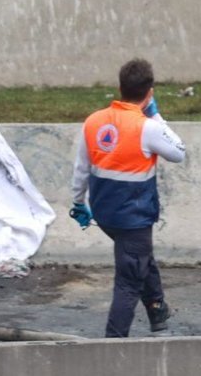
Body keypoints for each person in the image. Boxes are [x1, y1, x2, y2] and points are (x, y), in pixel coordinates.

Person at [70, 58, 185, 338]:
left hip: (104, 214)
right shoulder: (148, 127)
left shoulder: (94, 121)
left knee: (140, 257)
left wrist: (77, 202)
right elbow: (179, 151)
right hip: (133, 218)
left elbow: (81, 168)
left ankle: (158, 315)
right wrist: (155, 114)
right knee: (129, 280)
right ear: (150, 92)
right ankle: (112, 344)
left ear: (120, 87)